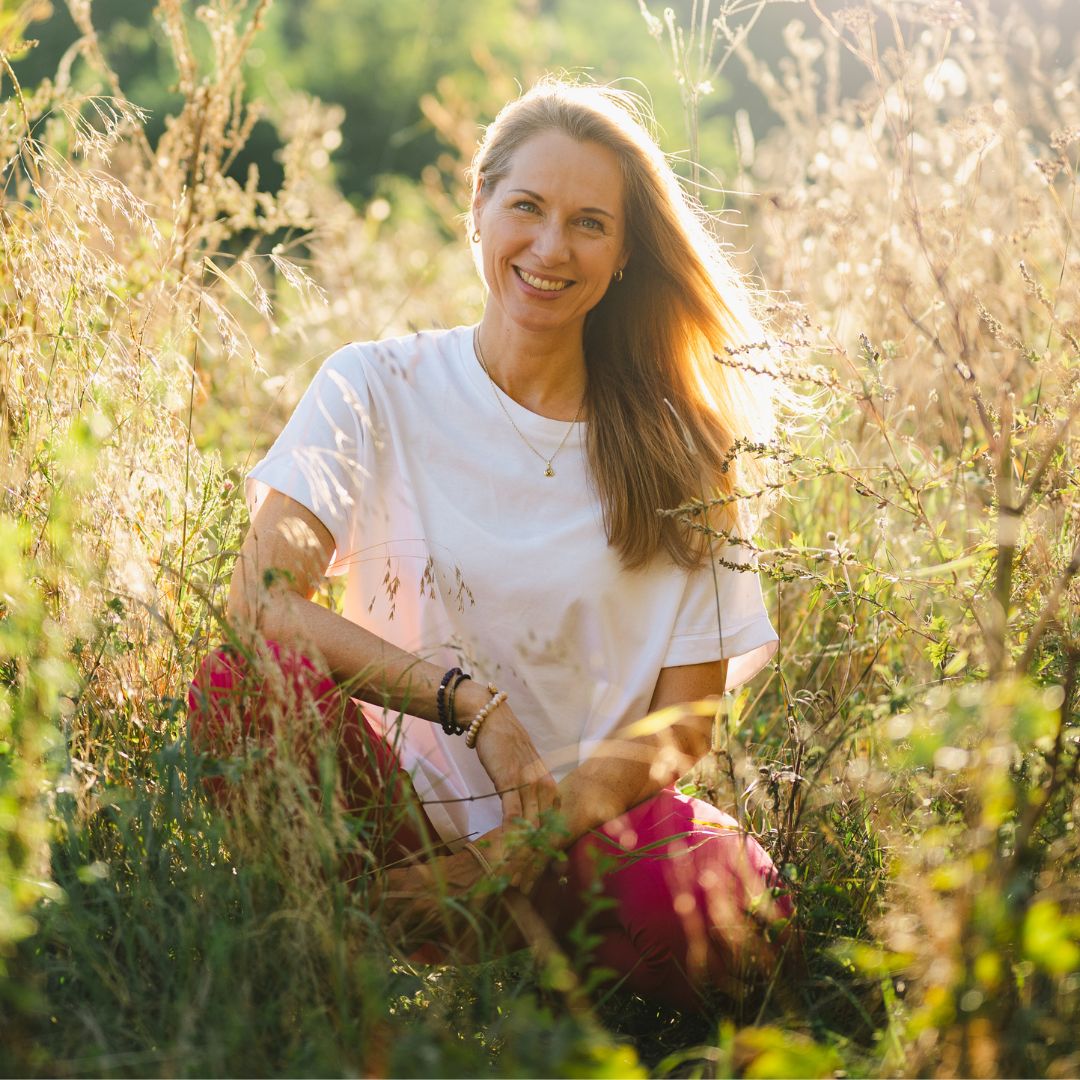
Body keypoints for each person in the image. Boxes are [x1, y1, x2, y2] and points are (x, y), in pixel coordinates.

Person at [188, 78, 794, 1011]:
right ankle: (365, 931)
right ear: (478, 207)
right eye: (527, 208)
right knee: (239, 685)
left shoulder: (681, 449)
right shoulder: (372, 386)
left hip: (582, 835)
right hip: (389, 820)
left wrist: (511, 856)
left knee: (720, 901)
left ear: (627, 252)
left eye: (590, 223)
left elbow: (687, 719)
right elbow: (260, 601)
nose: (550, 248)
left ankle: (493, 942)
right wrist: (468, 703)